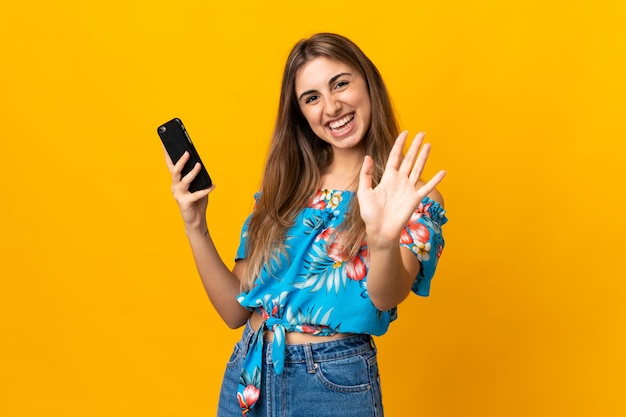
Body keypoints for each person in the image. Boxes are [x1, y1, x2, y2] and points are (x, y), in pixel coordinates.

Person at [164, 32, 448, 417]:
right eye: (311, 98)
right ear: (301, 114)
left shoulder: (410, 197)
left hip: (333, 383)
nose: (331, 107)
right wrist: (195, 226)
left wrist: (382, 239)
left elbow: (387, 296)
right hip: (248, 377)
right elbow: (235, 311)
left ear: (369, 83)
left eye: (340, 83)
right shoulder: (285, 190)